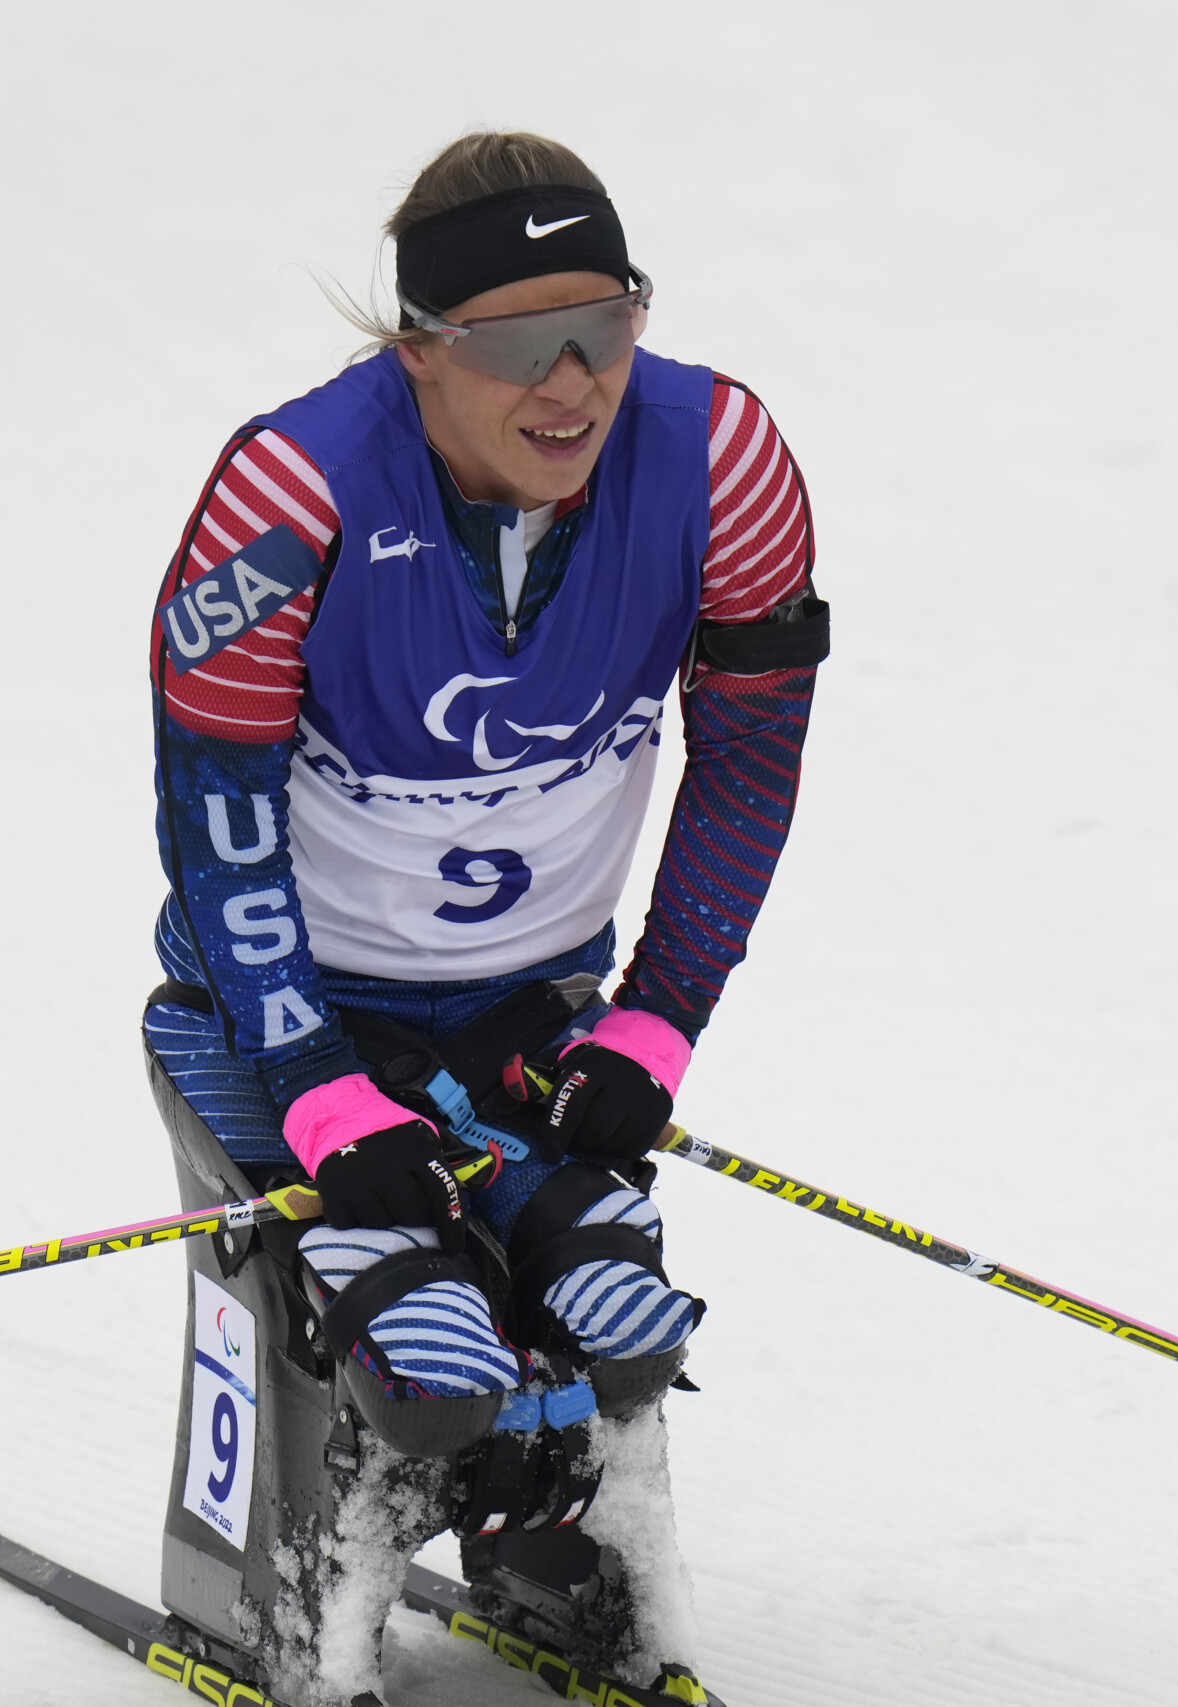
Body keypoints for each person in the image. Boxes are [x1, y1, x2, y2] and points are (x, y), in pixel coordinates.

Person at [139, 131, 826, 1698]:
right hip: (283, 1016)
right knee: (414, 1351)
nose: (572, 381)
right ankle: (295, 1585)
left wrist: (658, 1018)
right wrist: (315, 1089)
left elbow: (749, 761)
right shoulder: (292, 490)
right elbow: (219, 831)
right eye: (519, 342)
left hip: (528, 1015)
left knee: (616, 1318)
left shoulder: (723, 458)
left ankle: (558, 1552)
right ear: (421, 349)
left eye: (609, 321)